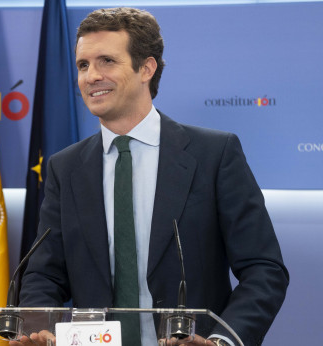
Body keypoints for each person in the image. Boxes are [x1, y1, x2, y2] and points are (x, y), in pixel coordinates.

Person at [15, 7, 288, 346]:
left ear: (146, 68)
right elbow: (44, 274)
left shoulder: (214, 154)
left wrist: (221, 341)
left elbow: (264, 271)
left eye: (106, 61)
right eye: (83, 65)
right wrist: (41, 330)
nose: (90, 76)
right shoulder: (65, 167)